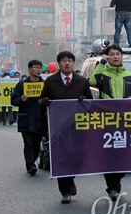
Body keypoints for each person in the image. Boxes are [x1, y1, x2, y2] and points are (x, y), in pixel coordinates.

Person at [89, 44, 131, 201]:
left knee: (124, 155)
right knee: (109, 155)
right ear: (107, 57)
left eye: (118, 53)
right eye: (112, 54)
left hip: (127, 123)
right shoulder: (102, 74)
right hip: (107, 123)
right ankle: (112, 186)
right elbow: (92, 82)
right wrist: (101, 64)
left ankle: (117, 179)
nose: (115, 56)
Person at [40, 51, 93, 204]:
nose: (67, 63)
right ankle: (65, 190)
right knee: (61, 157)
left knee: (77, 155)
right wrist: (44, 102)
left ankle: (70, 179)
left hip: (77, 126)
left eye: (69, 60)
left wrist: (84, 100)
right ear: (59, 64)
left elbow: (90, 102)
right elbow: (41, 99)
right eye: (64, 61)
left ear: (73, 63)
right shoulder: (51, 81)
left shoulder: (82, 81)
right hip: (58, 127)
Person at [11, 59, 45, 176]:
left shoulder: (44, 85)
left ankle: (32, 161)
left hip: (40, 119)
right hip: (26, 118)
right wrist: (21, 99)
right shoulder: (21, 85)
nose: (38, 70)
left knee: (37, 144)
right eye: (35, 67)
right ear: (30, 69)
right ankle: (30, 165)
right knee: (28, 143)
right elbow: (13, 101)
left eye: (40, 68)